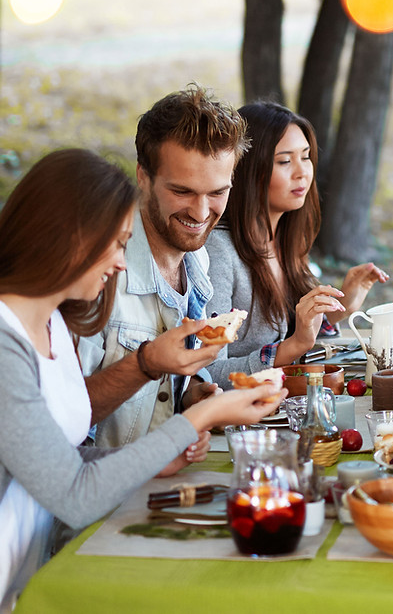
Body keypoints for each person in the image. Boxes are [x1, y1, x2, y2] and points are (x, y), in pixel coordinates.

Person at [0, 148, 285, 611]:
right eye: (114, 245)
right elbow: (73, 494)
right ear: (66, 237)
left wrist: (145, 459)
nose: (120, 263)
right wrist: (202, 417)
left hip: (31, 576)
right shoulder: (5, 343)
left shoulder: (50, 323)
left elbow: (57, 454)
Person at [79, 84, 250, 448]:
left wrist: (190, 396)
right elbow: (61, 418)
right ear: (143, 177)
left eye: (218, 192)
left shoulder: (197, 259)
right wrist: (146, 364)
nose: (202, 213)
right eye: (183, 191)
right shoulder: (97, 273)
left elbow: (163, 393)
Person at [205, 100, 389, 388]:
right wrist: (293, 346)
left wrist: (340, 310)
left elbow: (299, 335)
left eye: (306, 157)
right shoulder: (219, 253)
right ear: (248, 169)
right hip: (243, 424)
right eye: (284, 161)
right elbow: (207, 376)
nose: (302, 172)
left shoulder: (287, 240)